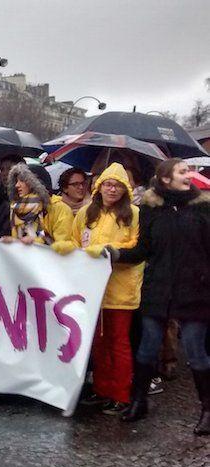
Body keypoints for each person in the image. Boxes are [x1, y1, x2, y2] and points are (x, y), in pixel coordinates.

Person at [109, 158, 210, 434]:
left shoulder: (203, 207)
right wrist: (116, 254)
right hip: (158, 289)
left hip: (195, 291)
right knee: (147, 346)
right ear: (165, 178)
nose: (189, 174)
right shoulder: (150, 210)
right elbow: (143, 249)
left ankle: (208, 410)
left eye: (189, 170)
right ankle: (138, 401)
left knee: (195, 350)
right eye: (182, 171)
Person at [72, 163, 143, 416]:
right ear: (99, 187)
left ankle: (121, 394)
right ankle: (102, 390)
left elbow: (137, 245)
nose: (112, 190)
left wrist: (110, 251)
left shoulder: (134, 213)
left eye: (117, 186)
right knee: (98, 343)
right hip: (93, 290)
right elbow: (74, 240)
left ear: (125, 190)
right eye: (108, 185)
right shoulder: (85, 214)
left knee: (119, 342)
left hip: (120, 290)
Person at [5, 163, 74, 247]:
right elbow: (18, 241)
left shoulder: (59, 208)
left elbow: (63, 245)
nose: (17, 185)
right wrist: (12, 242)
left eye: (22, 180)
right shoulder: (16, 207)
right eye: (16, 181)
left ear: (36, 183)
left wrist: (36, 242)